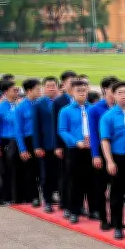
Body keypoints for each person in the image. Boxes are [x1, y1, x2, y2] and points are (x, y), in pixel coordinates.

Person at [100, 81, 125, 240]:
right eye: (120, 93)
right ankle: (118, 226)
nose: (124, 95)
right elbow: (105, 140)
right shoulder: (108, 116)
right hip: (118, 158)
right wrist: (109, 161)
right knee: (117, 194)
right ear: (113, 95)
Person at [58, 78, 93, 224]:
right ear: (72, 92)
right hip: (74, 150)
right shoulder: (65, 110)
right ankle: (73, 210)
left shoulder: (92, 108)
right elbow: (62, 130)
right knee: (74, 181)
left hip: (90, 149)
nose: (82, 93)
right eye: (79, 91)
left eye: (84, 90)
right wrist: (75, 141)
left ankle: (90, 208)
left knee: (90, 181)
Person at [89, 76, 118, 229]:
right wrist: (95, 155)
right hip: (101, 150)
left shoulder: (122, 108)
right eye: (112, 89)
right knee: (101, 187)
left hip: (118, 151)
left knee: (116, 188)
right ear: (105, 90)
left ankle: (115, 219)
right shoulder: (95, 109)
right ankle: (103, 218)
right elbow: (93, 134)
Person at [0, 81, 20, 206]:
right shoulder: (0, 108)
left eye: (17, 89)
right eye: (14, 90)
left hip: (18, 140)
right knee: (3, 171)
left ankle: (14, 195)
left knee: (14, 170)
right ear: (6, 92)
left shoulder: (17, 104)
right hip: (5, 140)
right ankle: (1, 197)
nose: (17, 91)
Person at [32, 77, 60, 213]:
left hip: (61, 145)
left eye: (53, 86)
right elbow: (35, 127)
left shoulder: (62, 102)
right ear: (44, 88)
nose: (51, 88)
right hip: (46, 145)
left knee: (60, 174)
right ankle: (47, 201)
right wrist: (37, 146)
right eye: (48, 86)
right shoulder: (39, 104)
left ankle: (61, 199)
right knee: (46, 175)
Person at [53, 71, 77, 218]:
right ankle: (66, 204)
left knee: (77, 177)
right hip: (65, 144)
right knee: (66, 176)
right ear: (64, 84)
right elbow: (55, 126)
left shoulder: (82, 101)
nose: (74, 84)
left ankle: (77, 205)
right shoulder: (59, 102)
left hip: (80, 146)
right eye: (71, 82)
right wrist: (57, 145)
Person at [15, 78, 42, 206]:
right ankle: (34, 196)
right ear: (29, 90)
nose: (40, 91)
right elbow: (18, 130)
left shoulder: (41, 103)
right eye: (37, 89)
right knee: (30, 170)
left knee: (43, 168)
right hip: (29, 139)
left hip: (41, 138)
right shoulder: (20, 107)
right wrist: (22, 149)